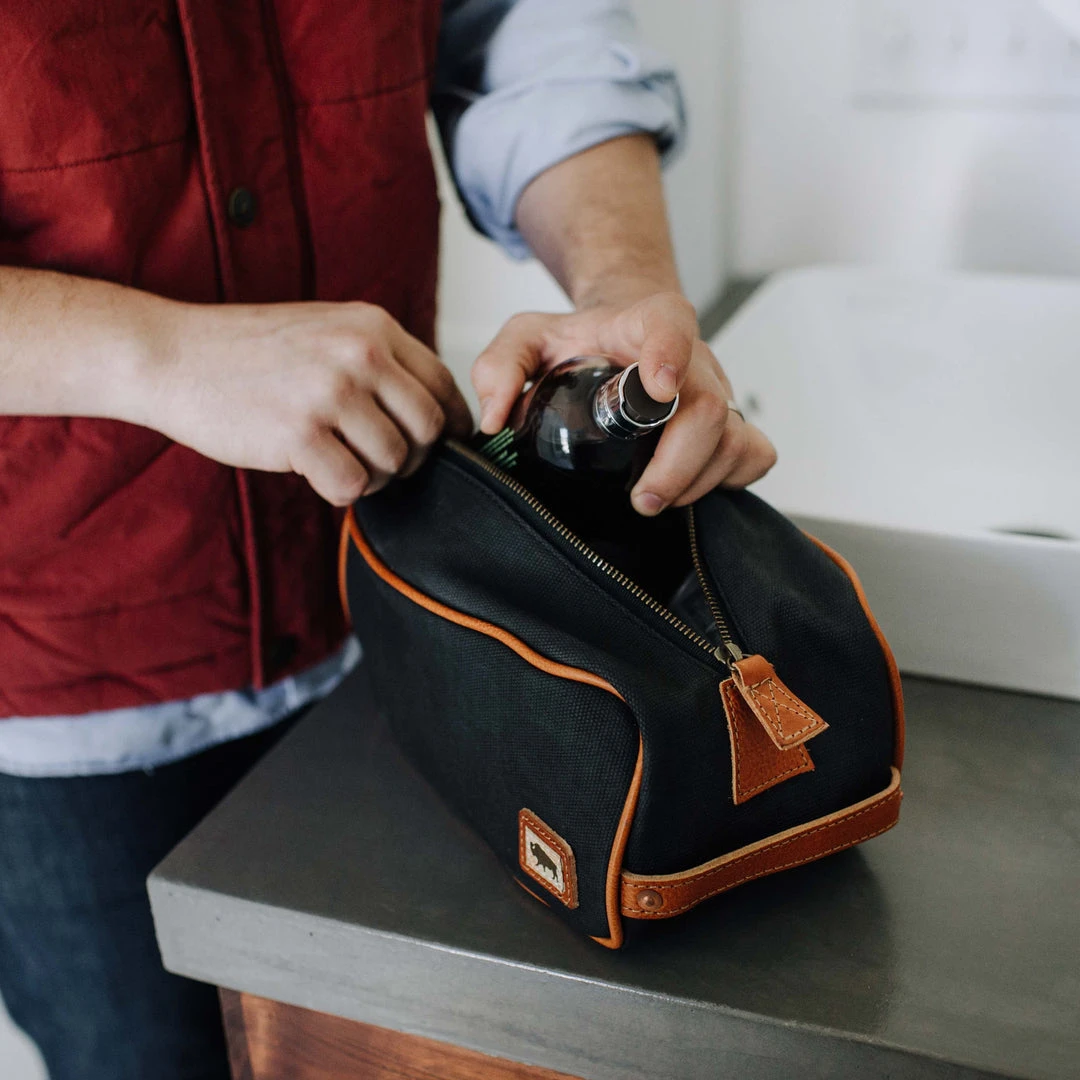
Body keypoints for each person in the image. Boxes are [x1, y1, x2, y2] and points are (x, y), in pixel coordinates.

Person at [0, 0, 776, 1076]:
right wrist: (158, 355)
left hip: (392, 622)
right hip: (55, 698)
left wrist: (623, 283)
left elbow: (523, 29)